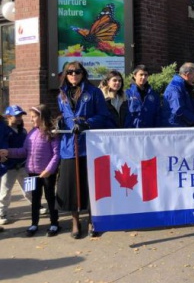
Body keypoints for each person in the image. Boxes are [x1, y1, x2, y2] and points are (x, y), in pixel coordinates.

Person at [56, 61, 113, 239]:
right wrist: (60, 121)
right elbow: (65, 115)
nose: (74, 75)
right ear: (66, 74)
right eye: (70, 72)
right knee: (71, 186)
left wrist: (86, 123)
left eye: (77, 72)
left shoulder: (93, 92)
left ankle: (91, 219)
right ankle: (75, 221)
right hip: (69, 146)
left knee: (90, 185)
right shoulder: (62, 94)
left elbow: (103, 116)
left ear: (83, 73)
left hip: (89, 146)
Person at [0, 105, 60, 237]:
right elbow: (24, 151)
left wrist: (49, 170)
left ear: (42, 117)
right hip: (31, 173)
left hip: (46, 174)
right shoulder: (31, 133)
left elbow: (56, 154)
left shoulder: (52, 133)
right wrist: (8, 152)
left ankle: (54, 223)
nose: (31, 120)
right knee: (35, 199)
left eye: (34, 117)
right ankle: (34, 224)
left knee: (50, 198)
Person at [0, 105, 31, 225]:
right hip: (9, 167)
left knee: (30, 188)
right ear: (8, 117)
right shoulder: (4, 131)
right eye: (16, 115)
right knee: (5, 191)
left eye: (20, 115)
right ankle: (2, 213)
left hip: (23, 165)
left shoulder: (23, 131)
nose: (19, 118)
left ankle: (36, 206)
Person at [162, 62, 194, 127]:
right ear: (187, 74)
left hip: (179, 125)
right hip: (175, 127)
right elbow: (179, 110)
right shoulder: (175, 88)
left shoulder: (181, 86)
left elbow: (187, 104)